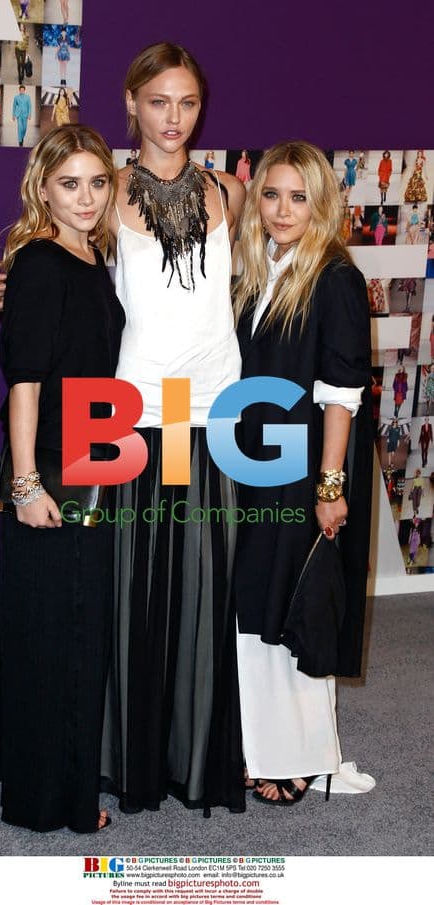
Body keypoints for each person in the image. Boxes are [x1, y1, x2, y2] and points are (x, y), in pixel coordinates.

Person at [0, 42, 246, 816]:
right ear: (131, 103)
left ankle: (189, 756)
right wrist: (11, 282)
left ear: (201, 108)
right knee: (124, 600)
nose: (173, 118)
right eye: (158, 101)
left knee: (199, 595)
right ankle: (117, 759)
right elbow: (54, 274)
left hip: (210, 416)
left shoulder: (232, 189)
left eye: (187, 102)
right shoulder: (107, 188)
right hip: (130, 422)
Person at [0, 124, 125, 833]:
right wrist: (26, 484)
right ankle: (57, 801)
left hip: (85, 455)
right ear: (41, 187)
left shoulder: (89, 253)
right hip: (52, 468)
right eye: (69, 183)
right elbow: (26, 382)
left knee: (58, 628)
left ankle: (41, 777)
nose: (85, 197)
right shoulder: (43, 261)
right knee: (65, 631)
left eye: (97, 182)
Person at [233, 140, 373, 804]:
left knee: (296, 608)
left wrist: (330, 488)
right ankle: (259, 747)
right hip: (254, 460)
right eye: (270, 194)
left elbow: (340, 394)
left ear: (320, 202)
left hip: (303, 468)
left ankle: (304, 756)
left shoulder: (335, 276)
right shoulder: (258, 265)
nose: (281, 209)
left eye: (297, 196)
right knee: (258, 603)